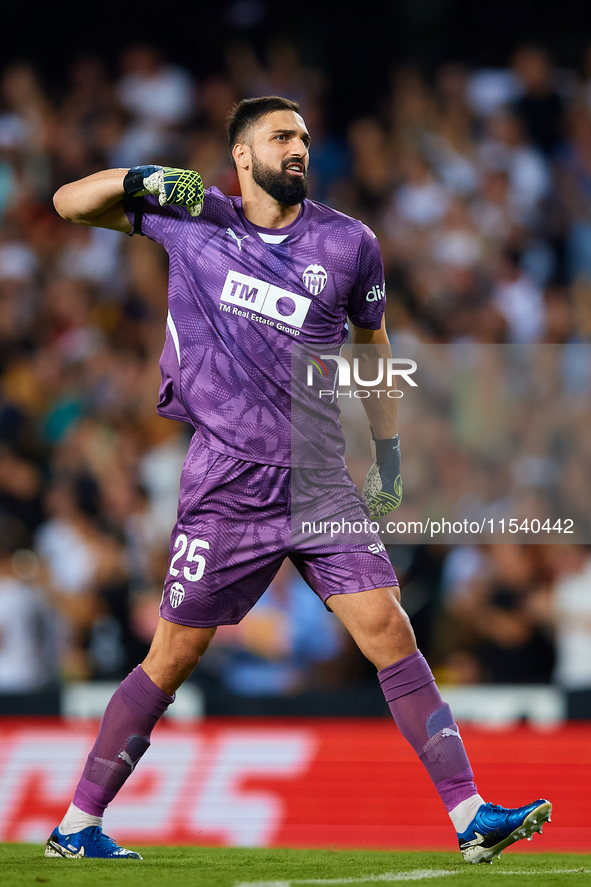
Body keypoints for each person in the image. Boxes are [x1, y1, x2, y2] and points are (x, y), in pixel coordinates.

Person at [47, 95, 551, 863]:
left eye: (305, 138)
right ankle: (77, 824)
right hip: (227, 480)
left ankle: (470, 814)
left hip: (317, 476)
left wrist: (387, 452)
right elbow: (67, 202)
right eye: (280, 136)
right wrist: (142, 175)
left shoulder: (350, 244)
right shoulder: (194, 219)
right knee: (174, 655)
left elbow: (373, 346)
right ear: (241, 155)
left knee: (388, 628)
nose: (298, 148)